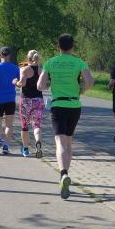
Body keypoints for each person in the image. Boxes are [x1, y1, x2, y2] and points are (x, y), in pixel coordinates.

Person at [38, 34, 94, 199]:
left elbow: (40, 85)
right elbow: (90, 81)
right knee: (68, 143)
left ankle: (63, 174)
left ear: (58, 47)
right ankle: (65, 176)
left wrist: (50, 84)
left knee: (60, 143)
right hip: (74, 106)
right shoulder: (79, 62)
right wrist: (81, 90)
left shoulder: (50, 62)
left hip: (58, 106)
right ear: (72, 47)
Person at [0, 47, 20, 155]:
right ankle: (6, 146)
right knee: (9, 124)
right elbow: (19, 82)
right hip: (10, 98)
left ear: (0, 55)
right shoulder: (15, 68)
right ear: (10, 55)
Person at [14, 50, 45, 158]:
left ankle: (26, 149)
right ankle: (38, 142)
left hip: (26, 100)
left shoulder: (25, 69)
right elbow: (45, 85)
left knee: (25, 125)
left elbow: (22, 83)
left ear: (28, 58)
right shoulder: (41, 70)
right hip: (38, 100)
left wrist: (15, 82)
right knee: (36, 125)